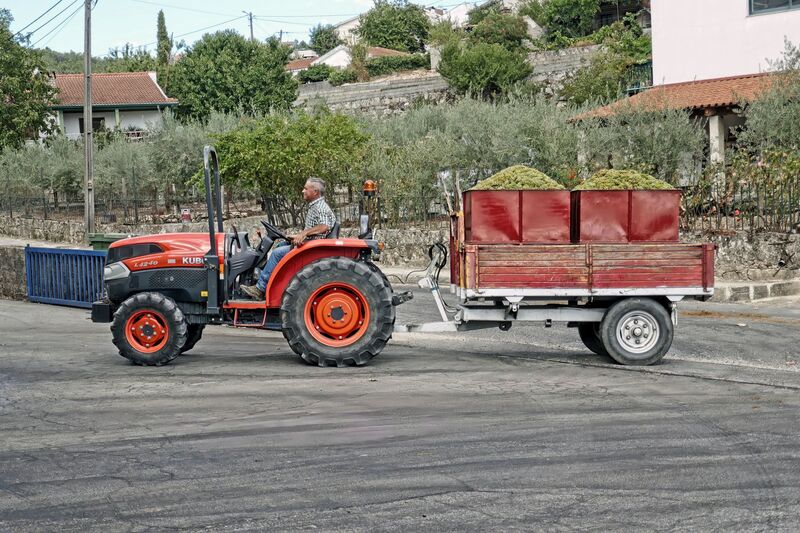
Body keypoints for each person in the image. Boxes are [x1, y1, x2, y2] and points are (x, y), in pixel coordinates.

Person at [241, 177, 336, 300]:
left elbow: (324, 226)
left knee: (276, 253)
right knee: (280, 246)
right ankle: (263, 276)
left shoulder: (320, 207)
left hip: (312, 247)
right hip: (311, 243)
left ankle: (260, 288)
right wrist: (298, 235)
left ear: (315, 192)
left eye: (306, 188)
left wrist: (304, 234)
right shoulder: (315, 206)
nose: (303, 191)